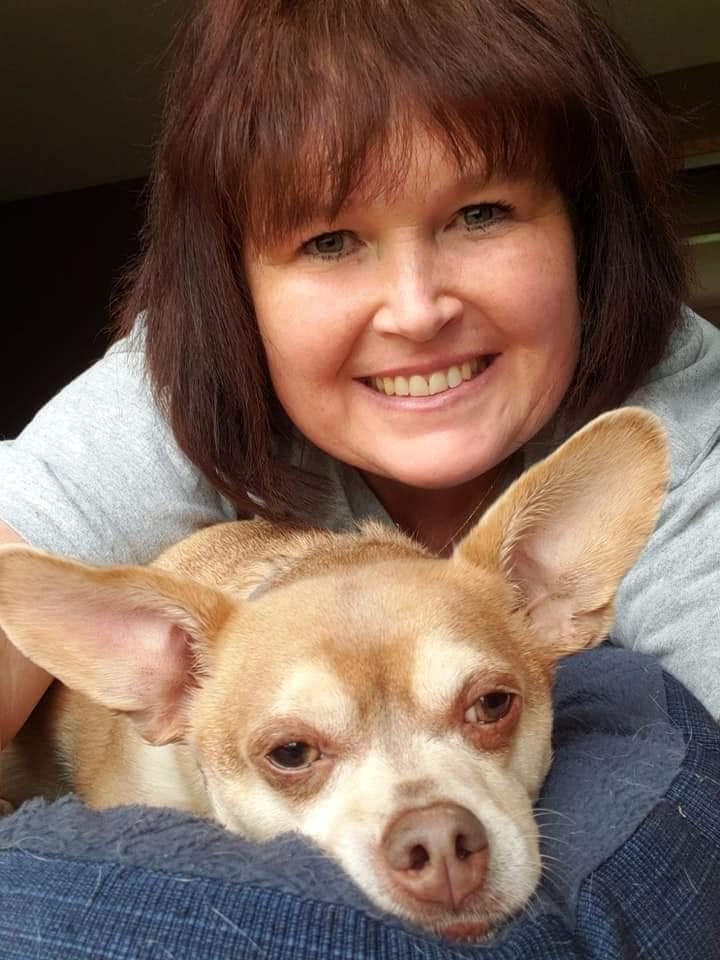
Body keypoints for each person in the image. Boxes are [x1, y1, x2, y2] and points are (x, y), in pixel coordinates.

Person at [1, 3, 718, 753]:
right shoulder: (185, 381)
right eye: (330, 240)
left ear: (587, 231)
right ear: (236, 290)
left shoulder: (687, 424)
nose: (415, 312)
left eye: (480, 213)